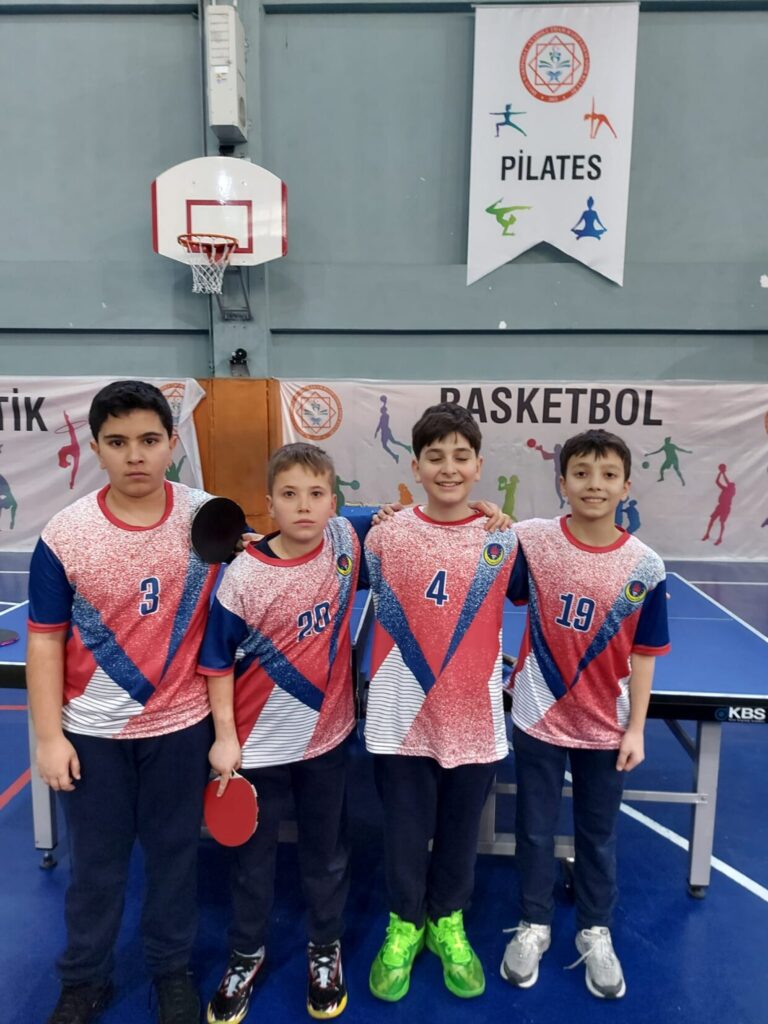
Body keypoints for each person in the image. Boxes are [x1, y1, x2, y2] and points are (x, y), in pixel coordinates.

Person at [27, 380, 219, 1024]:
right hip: (92, 735)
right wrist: (48, 738)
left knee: (174, 859)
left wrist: (386, 519)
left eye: (148, 440)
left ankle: (171, 971)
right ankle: (84, 980)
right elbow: (45, 641)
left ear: (171, 444)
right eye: (117, 442)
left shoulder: (207, 518)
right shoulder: (66, 534)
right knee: (97, 869)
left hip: (182, 728)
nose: (134, 455)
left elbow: (289, 539)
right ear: (96, 449)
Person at [198, 443, 368, 1023]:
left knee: (327, 855)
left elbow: (400, 520)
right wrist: (225, 738)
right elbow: (216, 663)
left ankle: (325, 947)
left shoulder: (345, 541)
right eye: (290, 495)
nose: (304, 506)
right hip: (258, 748)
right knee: (252, 864)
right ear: (269, 504)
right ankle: (246, 953)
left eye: (317, 494)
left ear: (334, 502)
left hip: (327, 740)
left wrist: (492, 515)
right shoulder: (243, 577)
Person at [364, 403, 527, 1003]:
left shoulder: (502, 538)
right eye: (435, 457)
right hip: (399, 715)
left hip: (474, 717)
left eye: (461, 457)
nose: (449, 468)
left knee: (461, 833)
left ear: (479, 466)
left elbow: (540, 581)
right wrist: (374, 511)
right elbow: (316, 527)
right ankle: (405, 923)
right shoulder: (385, 535)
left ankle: (448, 921)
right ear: (416, 466)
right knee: (404, 832)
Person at [500, 428, 670, 1000]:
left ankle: (595, 930)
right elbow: (482, 544)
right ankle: (534, 923)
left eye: (607, 475)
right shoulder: (532, 540)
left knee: (597, 836)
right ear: (562, 482)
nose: (594, 484)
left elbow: (644, 654)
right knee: (533, 829)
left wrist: (637, 728)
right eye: (581, 473)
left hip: (606, 726)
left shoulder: (646, 566)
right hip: (538, 715)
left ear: (626, 485)